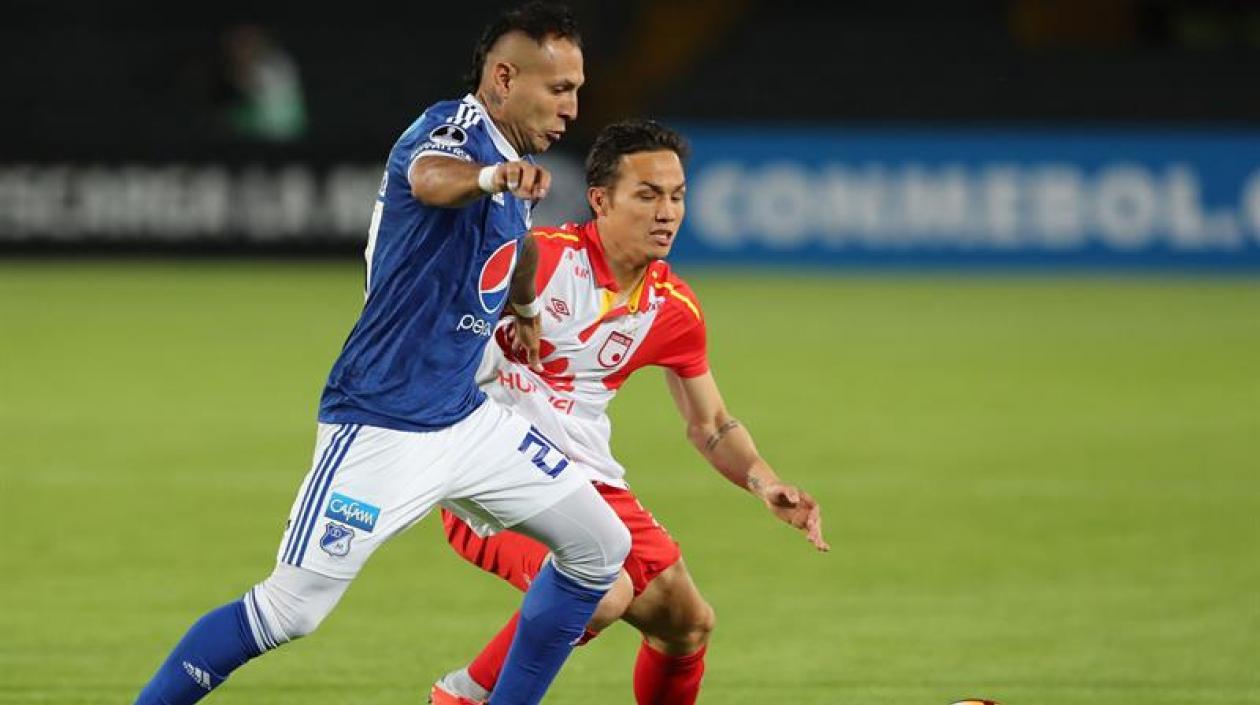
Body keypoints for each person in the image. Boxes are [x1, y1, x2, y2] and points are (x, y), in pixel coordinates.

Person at [133, 5, 632, 705]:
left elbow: (513, 243)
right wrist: (491, 179)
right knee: (289, 610)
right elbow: (430, 179)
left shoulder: (515, 166)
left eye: (576, 90)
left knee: (601, 549)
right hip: (380, 421)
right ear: (503, 78)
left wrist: (523, 308)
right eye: (559, 89)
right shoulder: (453, 131)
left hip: (466, 418)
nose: (572, 108)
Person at [429, 120, 829, 705]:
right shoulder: (540, 260)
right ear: (600, 200)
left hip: (584, 477)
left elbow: (710, 425)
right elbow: (439, 323)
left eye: (677, 196)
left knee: (685, 622)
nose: (667, 212)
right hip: (491, 471)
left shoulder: (672, 307)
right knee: (601, 589)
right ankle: (460, 697)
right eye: (647, 195)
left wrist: (766, 484)